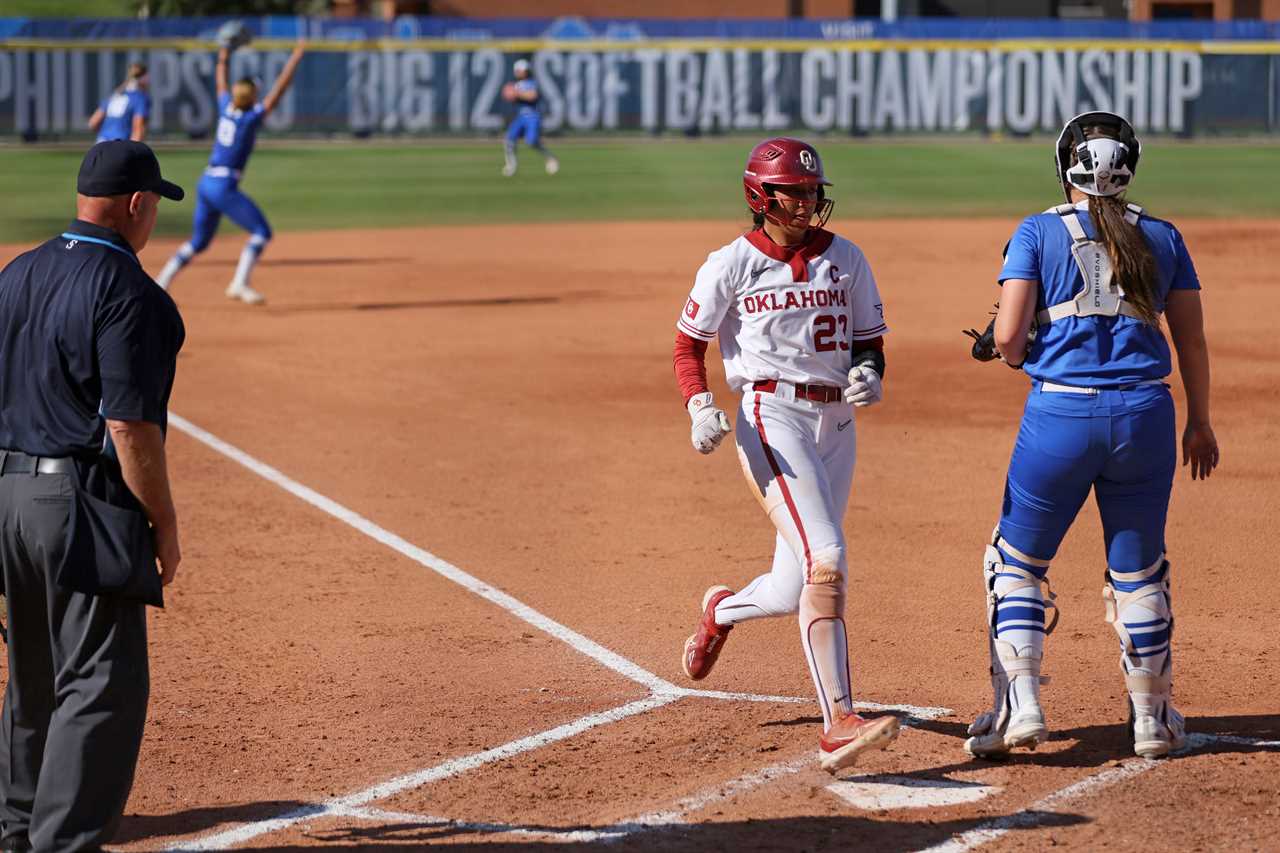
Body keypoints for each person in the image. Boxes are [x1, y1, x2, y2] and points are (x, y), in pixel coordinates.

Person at [961, 112, 1218, 761]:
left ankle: (1021, 703)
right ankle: (1151, 721)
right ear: (1130, 166)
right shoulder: (1162, 235)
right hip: (1146, 418)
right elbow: (1190, 340)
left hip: (1061, 417)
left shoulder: (1037, 231)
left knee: (1015, 563)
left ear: (1063, 165)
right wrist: (1201, 422)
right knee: (1139, 571)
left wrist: (1004, 349)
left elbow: (1013, 340)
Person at [673, 137, 897, 774]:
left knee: (790, 583)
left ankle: (720, 611)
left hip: (838, 427)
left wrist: (870, 373)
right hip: (772, 418)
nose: (805, 202)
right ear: (759, 196)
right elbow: (688, 348)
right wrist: (698, 405)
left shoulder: (847, 258)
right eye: (791, 193)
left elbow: (869, 341)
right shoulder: (730, 264)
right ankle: (838, 722)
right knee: (827, 558)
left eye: (810, 191)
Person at [0, 140, 185, 851]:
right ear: (137, 205)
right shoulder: (130, 292)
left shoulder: (15, 273)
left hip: (9, 497)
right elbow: (127, 424)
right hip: (75, 508)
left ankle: (16, 831)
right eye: (153, 206)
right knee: (100, 683)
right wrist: (161, 522)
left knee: (33, 676)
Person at [155, 40, 305, 305]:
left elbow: (220, 84)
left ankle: (161, 283)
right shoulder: (250, 119)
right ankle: (239, 283)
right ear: (253, 97)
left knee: (199, 242)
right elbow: (279, 91)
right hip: (224, 184)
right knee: (261, 232)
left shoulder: (227, 107)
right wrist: (295, 58)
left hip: (207, 181)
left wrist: (223, 56)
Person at [500, 58, 558, 178]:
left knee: (531, 141)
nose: (519, 72)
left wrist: (516, 93)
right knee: (509, 139)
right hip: (521, 117)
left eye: (521, 70)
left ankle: (550, 157)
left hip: (532, 116)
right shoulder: (515, 84)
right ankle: (511, 165)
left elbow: (533, 96)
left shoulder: (531, 82)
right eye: (518, 70)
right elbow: (509, 96)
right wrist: (510, 94)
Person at [87, 62, 150, 143]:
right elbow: (138, 129)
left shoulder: (115, 95)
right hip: (122, 144)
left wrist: (107, 134)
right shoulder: (140, 98)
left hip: (101, 143)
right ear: (143, 77)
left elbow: (92, 123)